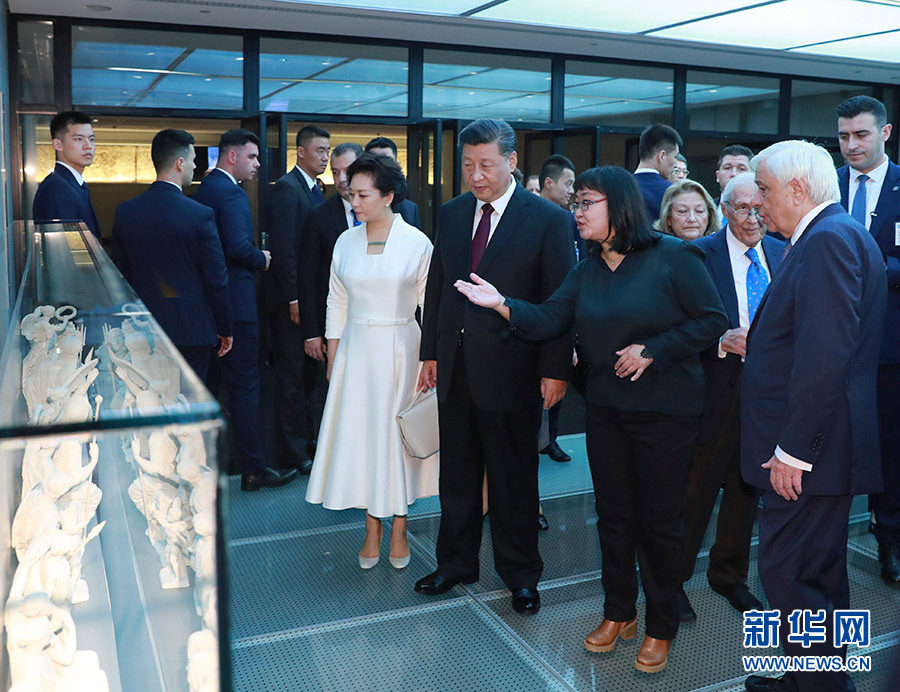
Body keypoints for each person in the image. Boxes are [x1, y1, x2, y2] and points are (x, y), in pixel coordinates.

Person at [454, 165, 727, 673]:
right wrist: (503, 305)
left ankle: (660, 624)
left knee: (660, 524)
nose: (576, 212)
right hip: (606, 411)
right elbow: (550, 318)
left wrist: (655, 349)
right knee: (615, 518)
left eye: (586, 203)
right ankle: (618, 611)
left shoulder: (674, 257)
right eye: (575, 203)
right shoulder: (587, 268)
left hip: (666, 415)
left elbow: (712, 321)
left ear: (618, 206)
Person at [414, 118, 575, 616]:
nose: (476, 175)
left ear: (511, 162)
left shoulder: (546, 219)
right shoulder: (454, 213)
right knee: (457, 477)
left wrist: (555, 370)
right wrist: (431, 353)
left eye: (486, 164)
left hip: (514, 370)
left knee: (514, 480)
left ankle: (521, 574)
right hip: (456, 368)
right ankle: (456, 563)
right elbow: (438, 288)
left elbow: (558, 301)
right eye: (468, 165)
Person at [742, 140, 886, 692]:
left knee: (789, 574)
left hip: (810, 453)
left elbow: (824, 357)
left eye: (767, 190)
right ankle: (804, 675)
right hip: (827, 449)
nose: (759, 202)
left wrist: (792, 452)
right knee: (820, 575)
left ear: (798, 190)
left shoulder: (826, 241)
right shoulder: (835, 234)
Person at [306, 153, 437, 570]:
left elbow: (429, 307)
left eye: (363, 195)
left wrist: (430, 359)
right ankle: (371, 526)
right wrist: (332, 352)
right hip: (356, 352)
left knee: (396, 440)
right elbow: (336, 298)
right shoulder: (345, 241)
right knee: (363, 439)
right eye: (351, 194)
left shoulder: (417, 242)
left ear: (388, 196)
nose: (355, 202)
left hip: (402, 349)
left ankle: (399, 525)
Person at [676, 172, 780, 623]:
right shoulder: (697, 254)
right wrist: (720, 339)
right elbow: (673, 328)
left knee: (745, 491)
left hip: (767, 396)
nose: (754, 217)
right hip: (713, 392)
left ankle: (728, 574)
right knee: (694, 493)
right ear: (724, 209)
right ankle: (671, 580)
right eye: (742, 208)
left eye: (760, 207)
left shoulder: (783, 251)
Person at [192, 128, 296, 492]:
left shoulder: (204, 190)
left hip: (212, 307)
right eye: (252, 157)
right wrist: (263, 258)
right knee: (247, 387)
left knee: (214, 388)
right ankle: (254, 468)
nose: (257, 165)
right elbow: (237, 247)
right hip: (236, 306)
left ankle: (209, 465)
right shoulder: (231, 193)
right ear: (231, 156)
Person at [836, 95, 900, 586]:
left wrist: (873, 268)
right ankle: (824, 542)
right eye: (843, 136)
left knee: (889, 446)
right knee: (828, 442)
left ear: (885, 132)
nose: (851, 145)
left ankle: (890, 539)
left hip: (888, 346)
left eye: (860, 135)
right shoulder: (825, 187)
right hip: (829, 345)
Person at [111, 129, 233, 382]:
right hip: (192, 329)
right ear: (179, 163)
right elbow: (217, 278)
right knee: (189, 403)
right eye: (192, 161)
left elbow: (119, 275)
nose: (194, 167)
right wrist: (225, 327)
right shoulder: (200, 214)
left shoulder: (125, 212)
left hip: (142, 330)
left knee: (149, 399)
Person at [266, 124, 331, 475]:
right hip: (290, 304)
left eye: (327, 151)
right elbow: (284, 250)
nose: (324, 157)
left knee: (309, 378)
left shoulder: (314, 190)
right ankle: (292, 452)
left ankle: (307, 442)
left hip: (310, 301)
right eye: (319, 150)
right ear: (301, 151)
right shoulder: (287, 190)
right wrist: (294, 298)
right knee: (291, 377)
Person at [300, 142, 364, 361]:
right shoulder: (318, 216)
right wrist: (312, 333)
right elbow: (307, 277)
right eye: (336, 172)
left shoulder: (388, 212)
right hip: (333, 327)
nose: (341, 179)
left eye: (348, 170)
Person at [538, 154, 579, 463]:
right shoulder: (530, 216)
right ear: (548, 183)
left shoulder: (569, 219)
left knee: (556, 379)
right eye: (567, 184)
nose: (571, 191)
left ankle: (551, 439)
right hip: (531, 317)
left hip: (562, 316)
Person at [32, 111, 101, 238]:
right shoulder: (57, 189)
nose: (88, 146)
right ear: (58, 144)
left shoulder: (72, 184)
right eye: (79, 139)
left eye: (91, 139)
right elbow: (66, 249)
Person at [364, 136, 422, 228]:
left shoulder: (409, 209)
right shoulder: (355, 205)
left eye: (387, 161)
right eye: (376, 161)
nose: (381, 167)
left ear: (396, 164)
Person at [633, 123, 682, 222]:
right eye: (675, 156)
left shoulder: (618, 189)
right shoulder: (672, 193)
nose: (675, 163)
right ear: (661, 156)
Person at [714, 145, 753, 227]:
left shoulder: (763, 212)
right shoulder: (706, 209)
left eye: (741, 169)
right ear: (717, 176)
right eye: (727, 168)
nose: (733, 174)